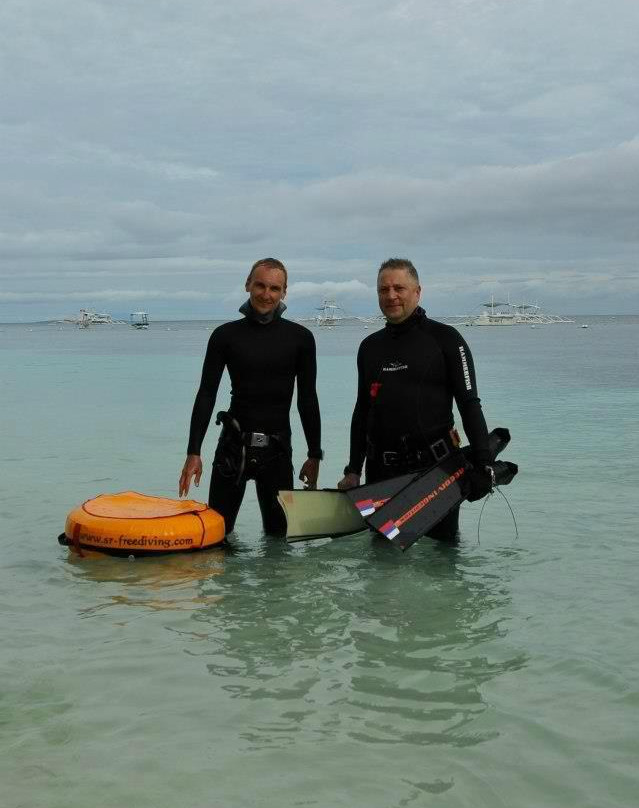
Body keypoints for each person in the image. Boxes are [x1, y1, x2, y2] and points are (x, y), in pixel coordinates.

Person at [337, 258, 493, 541]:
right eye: (384, 289)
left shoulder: (446, 339)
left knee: (442, 564)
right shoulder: (370, 347)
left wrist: (483, 464)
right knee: (383, 562)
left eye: (399, 288)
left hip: (436, 473)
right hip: (381, 473)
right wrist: (352, 469)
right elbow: (362, 411)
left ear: (417, 292)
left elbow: (469, 403)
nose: (391, 295)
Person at [179, 258, 322, 537]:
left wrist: (314, 454)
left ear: (284, 292)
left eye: (274, 288)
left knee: (279, 543)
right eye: (260, 285)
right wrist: (193, 452)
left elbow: (307, 399)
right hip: (233, 448)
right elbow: (207, 393)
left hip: (278, 450)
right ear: (248, 285)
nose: (266, 294)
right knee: (217, 536)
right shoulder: (225, 336)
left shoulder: (301, 339)